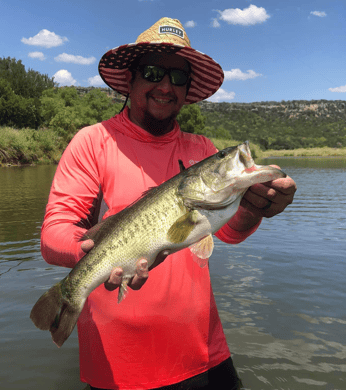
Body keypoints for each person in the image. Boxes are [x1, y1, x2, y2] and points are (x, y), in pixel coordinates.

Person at [41, 17, 296, 390]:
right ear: (131, 79)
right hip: (118, 365)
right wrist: (95, 255)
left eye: (178, 78)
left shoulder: (202, 150)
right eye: (153, 72)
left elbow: (230, 232)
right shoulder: (92, 142)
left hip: (205, 354)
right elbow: (53, 233)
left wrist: (254, 207)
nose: (165, 85)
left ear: (188, 89)